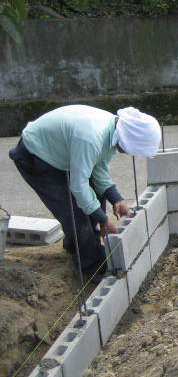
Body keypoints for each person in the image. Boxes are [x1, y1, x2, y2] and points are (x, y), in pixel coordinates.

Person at [9, 105, 161, 278]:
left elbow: (99, 168)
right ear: (129, 140)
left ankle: (77, 247)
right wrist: (103, 219)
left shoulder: (112, 130)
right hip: (36, 156)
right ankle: (93, 269)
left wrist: (115, 199)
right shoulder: (91, 138)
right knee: (76, 215)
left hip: (60, 153)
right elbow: (79, 186)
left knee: (95, 198)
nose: (129, 154)